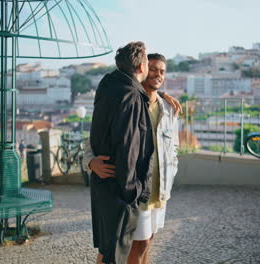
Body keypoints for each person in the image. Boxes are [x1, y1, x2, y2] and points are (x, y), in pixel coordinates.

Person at [84, 53, 179, 264]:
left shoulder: (169, 109)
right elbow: (96, 138)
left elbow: (174, 148)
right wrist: (90, 162)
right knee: (116, 247)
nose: (157, 74)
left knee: (146, 243)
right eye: (153, 69)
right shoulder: (126, 101)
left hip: (159, 191)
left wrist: (171, 175)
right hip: (134, 189)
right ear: (142, 70)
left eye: (162, 71)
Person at [89, 41, 154, 264]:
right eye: (147, 62)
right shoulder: (133, 97)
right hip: (120, 189)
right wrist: (132, 190)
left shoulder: (108, 86)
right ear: (141, 67)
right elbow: (129, 147)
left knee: (108, 252)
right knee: (116, 255)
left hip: (102, 183)